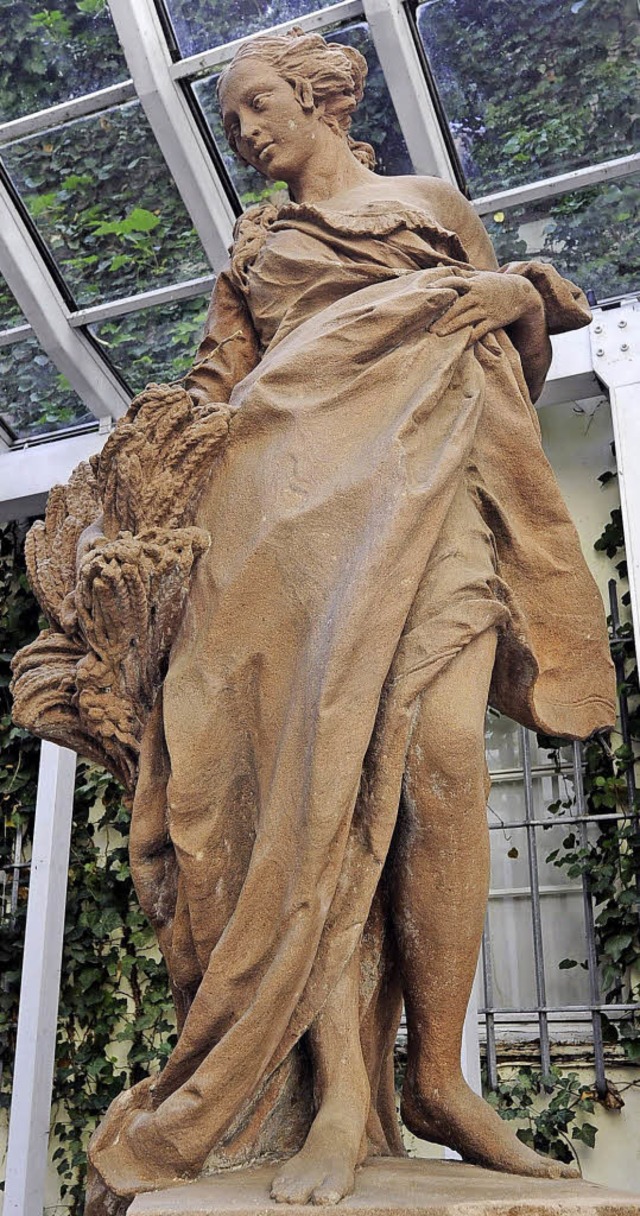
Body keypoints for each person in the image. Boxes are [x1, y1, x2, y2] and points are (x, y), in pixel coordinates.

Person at [86, 29, 615, 1212]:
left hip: (431, 498)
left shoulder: (427, 203)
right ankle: (337, 1099)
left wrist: (513, 293)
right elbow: (218, 399)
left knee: (438, 762)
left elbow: (504, 371)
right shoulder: (256, 249)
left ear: (322, 96)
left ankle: (436, 1077)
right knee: (311, 790)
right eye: (228, 124)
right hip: (287, 523)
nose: (246, 133)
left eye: (258, 105)